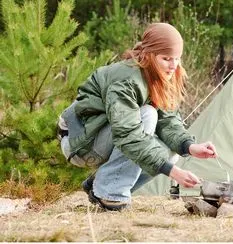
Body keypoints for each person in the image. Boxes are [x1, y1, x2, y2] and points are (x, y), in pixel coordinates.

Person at [57, 23, 217, 211]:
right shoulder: (127, 80)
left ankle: (99, 185)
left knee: (170, 152)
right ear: (150, 55)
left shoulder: (158, 75)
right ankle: (110, 195)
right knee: (147, 115)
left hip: (103, 137)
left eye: (177, 59)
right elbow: (128, 135)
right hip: (80, 143)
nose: (173, 66)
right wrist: (173, 173)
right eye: (167, 58)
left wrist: (189, 146)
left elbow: (167, 120)